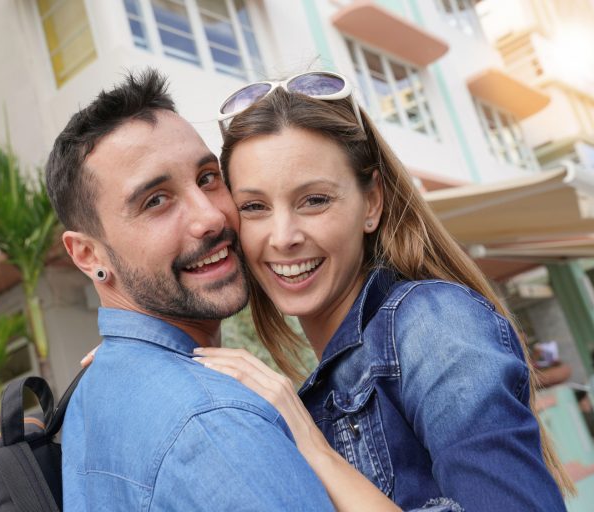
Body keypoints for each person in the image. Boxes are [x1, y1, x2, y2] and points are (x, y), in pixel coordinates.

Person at [189, 71, 574, 511]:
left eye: (314, 200)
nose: (283, 236)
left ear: (372, 202)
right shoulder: (330, 384)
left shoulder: (432, 324)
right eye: (254, 207)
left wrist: (316, 452)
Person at [46, 69, 422, 511]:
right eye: (156, 201)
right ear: (89, 256)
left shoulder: (97, 391)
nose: (211, 217)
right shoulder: (216, 424)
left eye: (207, 177)